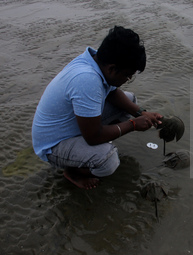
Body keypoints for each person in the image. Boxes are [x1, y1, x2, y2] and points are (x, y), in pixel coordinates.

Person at [32, 26, 162, 189]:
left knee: (130, 101)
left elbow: (112, 92)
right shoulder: (87, 80)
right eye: (127, 76)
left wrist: (141, 113)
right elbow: (93, 136)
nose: (128, 79)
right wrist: (134, 125)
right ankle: (73, 171)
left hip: (74, 125)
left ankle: (88, 151)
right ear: (113, 69)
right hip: (53, 144)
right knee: (108, 161)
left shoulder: (94, 60)